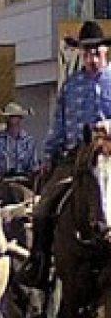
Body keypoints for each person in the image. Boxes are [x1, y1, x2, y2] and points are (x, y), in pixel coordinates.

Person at [32, 21, 111, 284]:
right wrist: (48, 156)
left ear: (105, 52)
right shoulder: (71, 86)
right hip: (75, 157)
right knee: (43, 208)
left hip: (109, 155)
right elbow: (58, 126)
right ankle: (39, 263)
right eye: (85, 53)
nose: (90, 58)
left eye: (95, 52)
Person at [0, 102, 38, 178]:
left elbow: (33, 166)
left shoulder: (29, 141)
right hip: (0, 181)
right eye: (9, 116)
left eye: (14, 116)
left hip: (23, 181)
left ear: (20, 118)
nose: (11, 119)